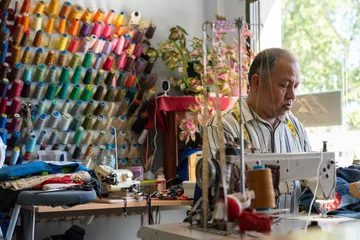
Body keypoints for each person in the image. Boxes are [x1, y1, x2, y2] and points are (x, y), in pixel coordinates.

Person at [208, 48, 312, 158]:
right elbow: (220, 174)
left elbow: (313, 173)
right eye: (284, 85)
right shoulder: (222, 127)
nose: (292, 96)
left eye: (295, 87)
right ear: (257, 82)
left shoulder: (296, 127)